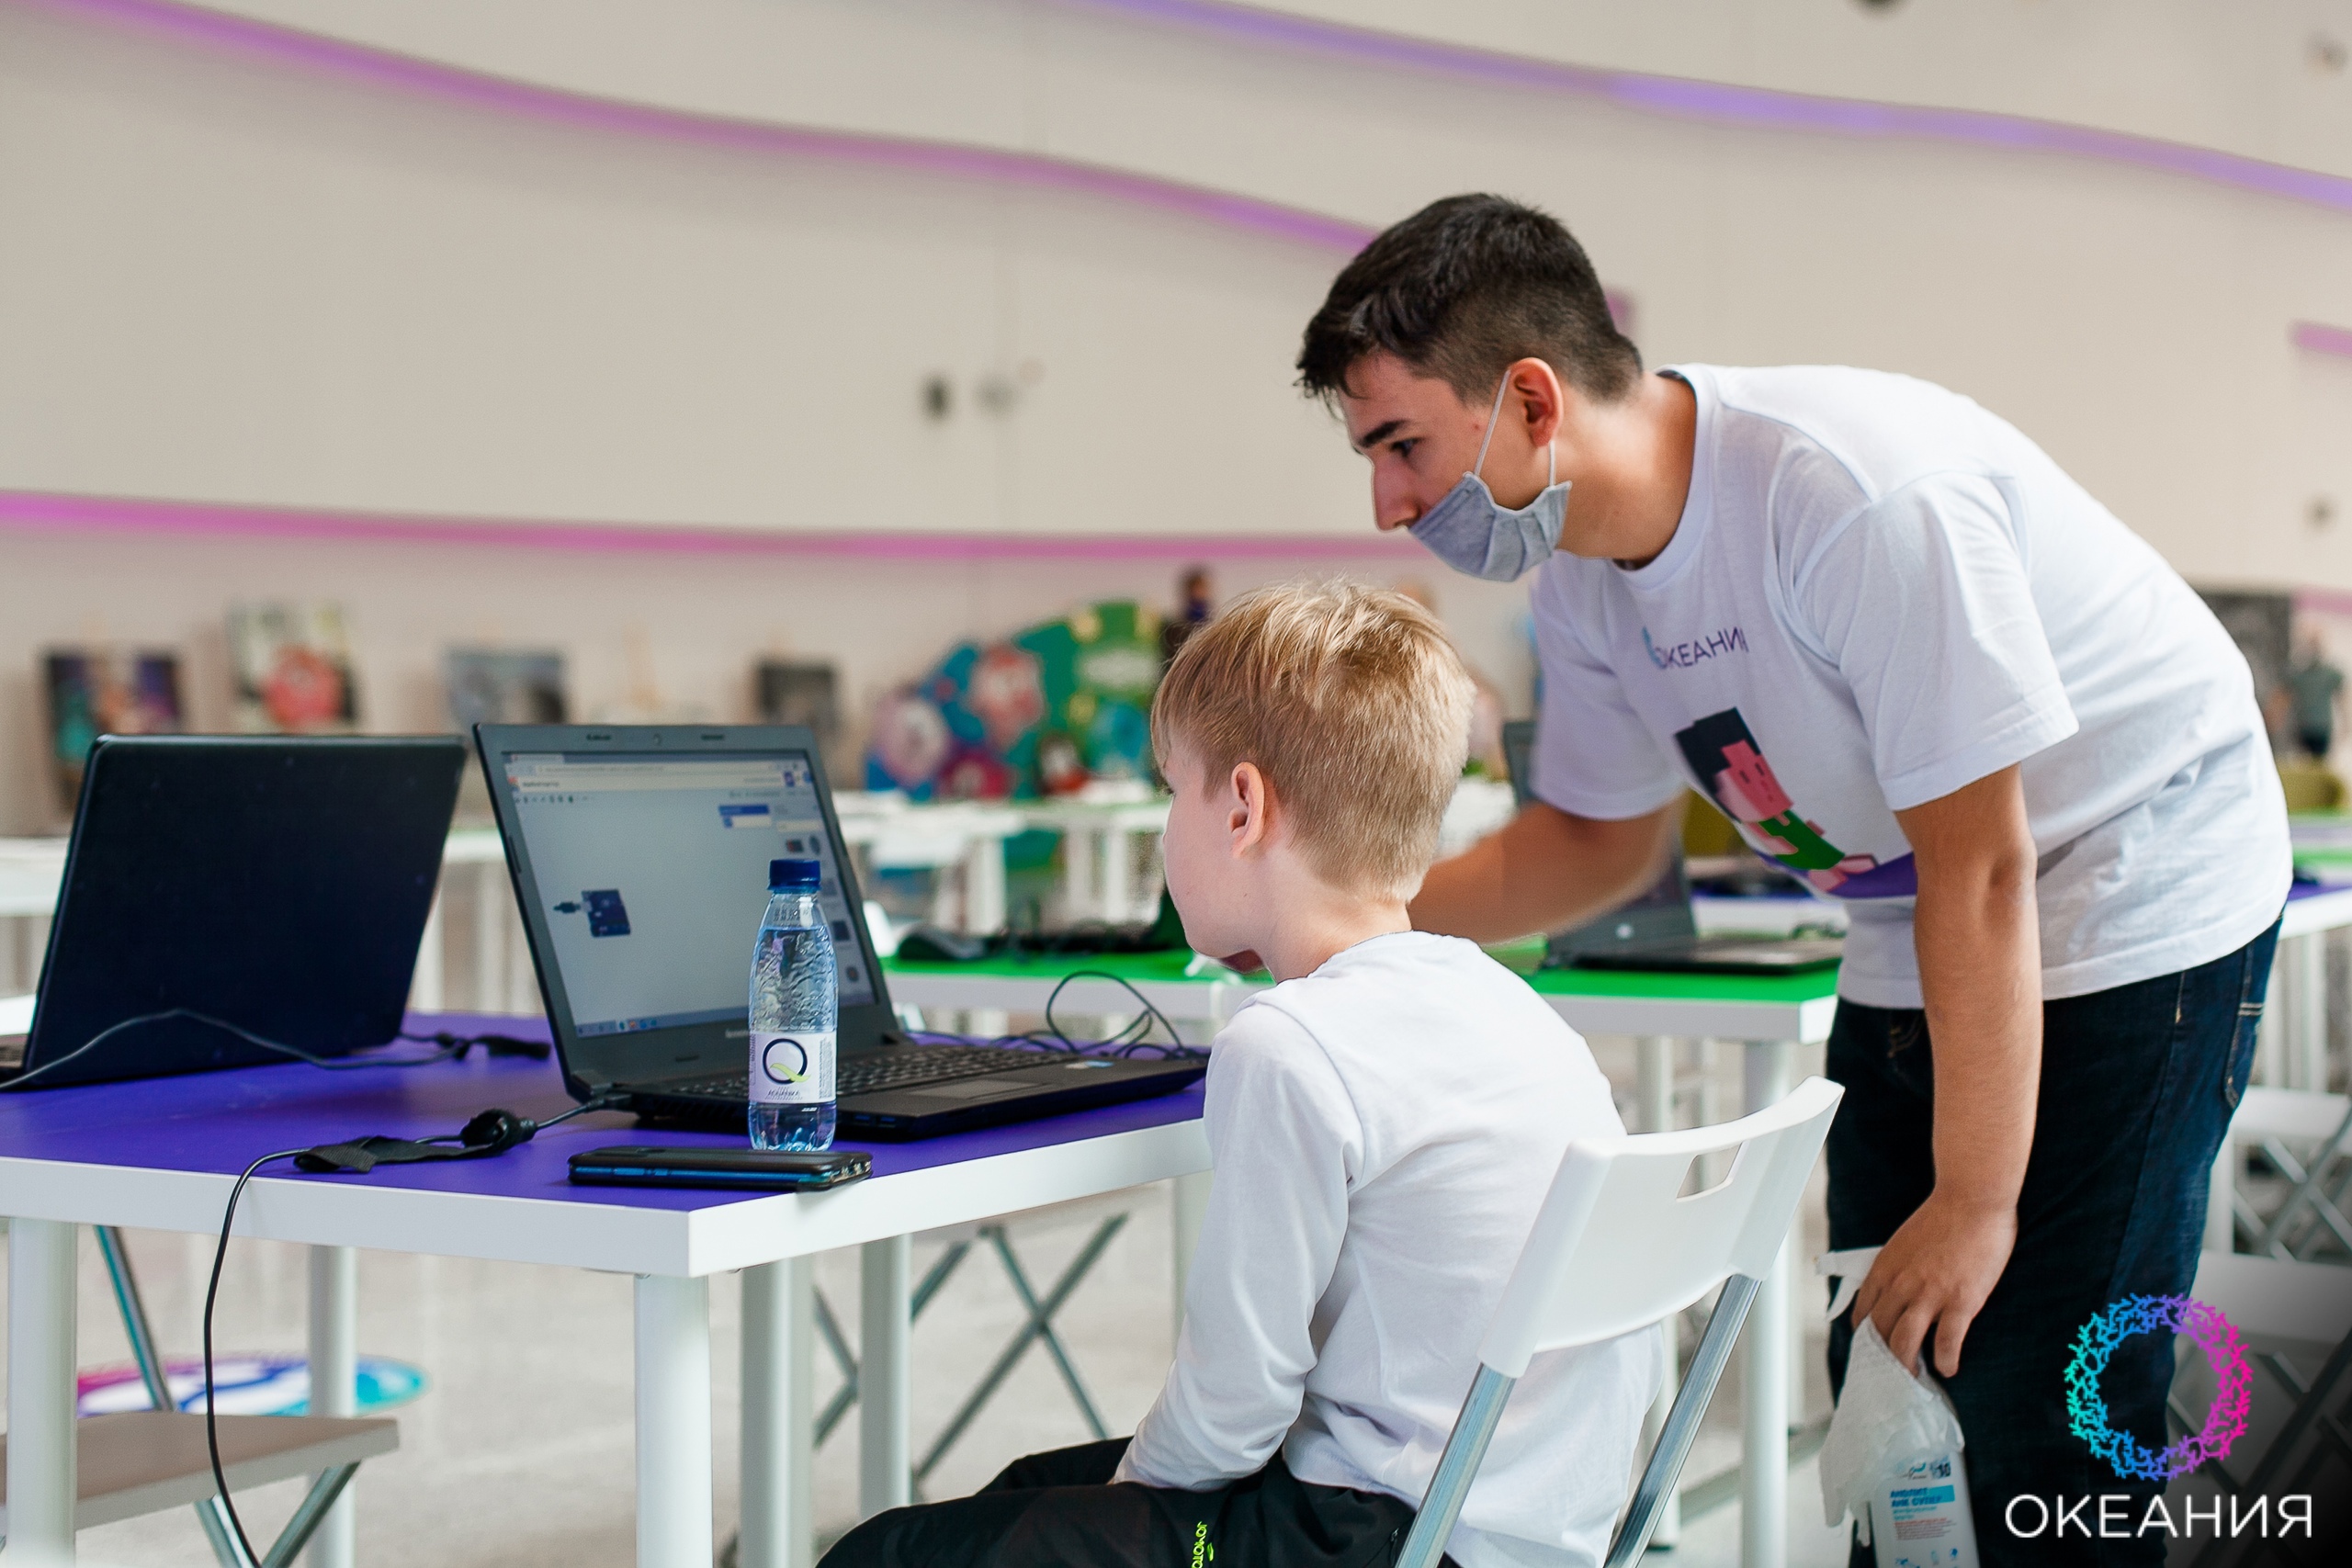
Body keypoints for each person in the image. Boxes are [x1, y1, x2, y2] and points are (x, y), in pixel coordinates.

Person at [1295, 195, 2289, 1564]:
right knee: (1893, 1397)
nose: (1389, 504)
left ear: (1529, 399)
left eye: (1402, 446)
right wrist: (1337, 919)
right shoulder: (1583, 582)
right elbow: (1588, 842)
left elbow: (1984, 864)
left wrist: (1975, 1197)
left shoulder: (1847, 496)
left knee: (2036, 1396)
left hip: (2131, 876)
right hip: (1916, 914)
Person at [821, 582, 1657, 1568]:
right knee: (1023, 1493)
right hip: (1522, 1527)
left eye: (1175, 791)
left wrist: (1128, 1510)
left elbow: (1233, 1407)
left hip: (1379, 1535)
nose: (1165, 831)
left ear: (1244, 808)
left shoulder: (1292, 1042)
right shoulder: (1509, 1006)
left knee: (889, 1553)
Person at [2286, 631, 2344, 761]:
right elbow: (2285, 697)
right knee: (2304, 762)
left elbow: (2342, 697)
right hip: (2303, 726)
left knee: (2320, 762)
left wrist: (2346, 723)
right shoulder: (2300, 675)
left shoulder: (2329, 674)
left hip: (2322, 727)